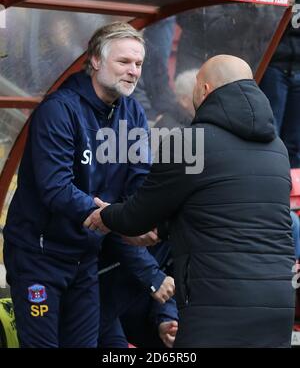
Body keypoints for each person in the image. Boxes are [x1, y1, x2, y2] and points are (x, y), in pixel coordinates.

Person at [86, 54, 296, 348]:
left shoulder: (188, 142)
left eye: (197, 83)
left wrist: (105, 216)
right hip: (277, 303)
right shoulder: (277, 149)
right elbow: (220, 213)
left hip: (216, 303)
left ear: (206, 90)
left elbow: (138, 216)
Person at [3, 22, 175, 348]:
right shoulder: (59, 109)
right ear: (95, 60)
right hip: (39, 257)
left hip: (85, 259)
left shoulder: (133, 113)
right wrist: (117, 222)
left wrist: (142, 216)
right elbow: (56, 189)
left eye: (138, 64)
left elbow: (140, 179)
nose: (133, 71)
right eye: (124, 61)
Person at [176, 0, 277, 76]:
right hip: (198, 64)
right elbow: (213, 31)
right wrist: (248, 13)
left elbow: (268, 32)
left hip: (232, 67)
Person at [260, 0, 300, 168]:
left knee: (295, 141)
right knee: (270, 135)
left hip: (298, 69)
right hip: (274, 66)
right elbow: (271, 22)